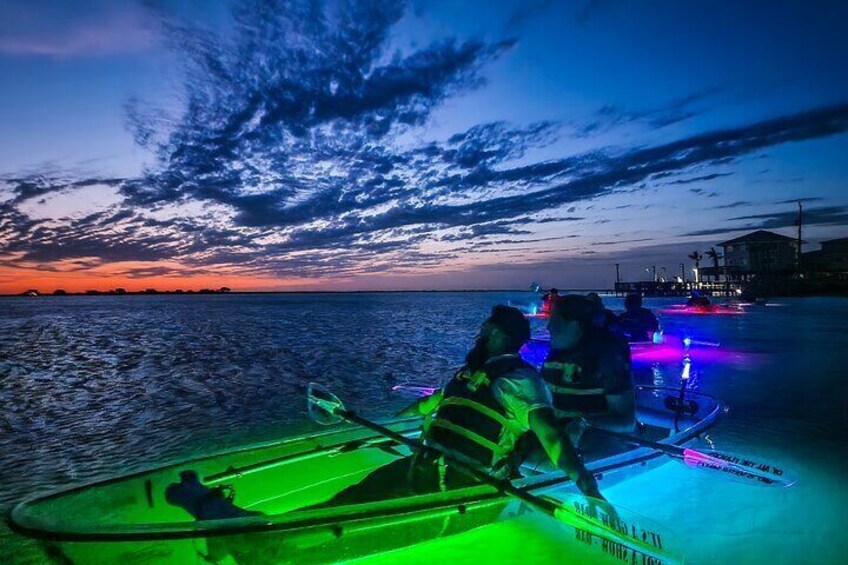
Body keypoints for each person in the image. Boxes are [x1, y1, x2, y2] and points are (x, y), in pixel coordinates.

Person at [316, 305, 603, 507]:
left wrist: (584, 482)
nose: (480, 336)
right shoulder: (469, 375)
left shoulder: (521, 381)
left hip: (465, 484)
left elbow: (551, 436)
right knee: (346, 499)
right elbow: (425, 406)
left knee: (350, 513)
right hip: (423, 467)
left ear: (501, 336)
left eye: (485, 331)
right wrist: (389, 426)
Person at [541, 295, 636, 445]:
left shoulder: (608, 357)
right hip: (556, 443)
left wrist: (584, 423)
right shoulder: (557, 352)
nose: (549, 327)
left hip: (594, 450)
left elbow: (626, 421)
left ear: (575, 325)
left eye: (556, 321)